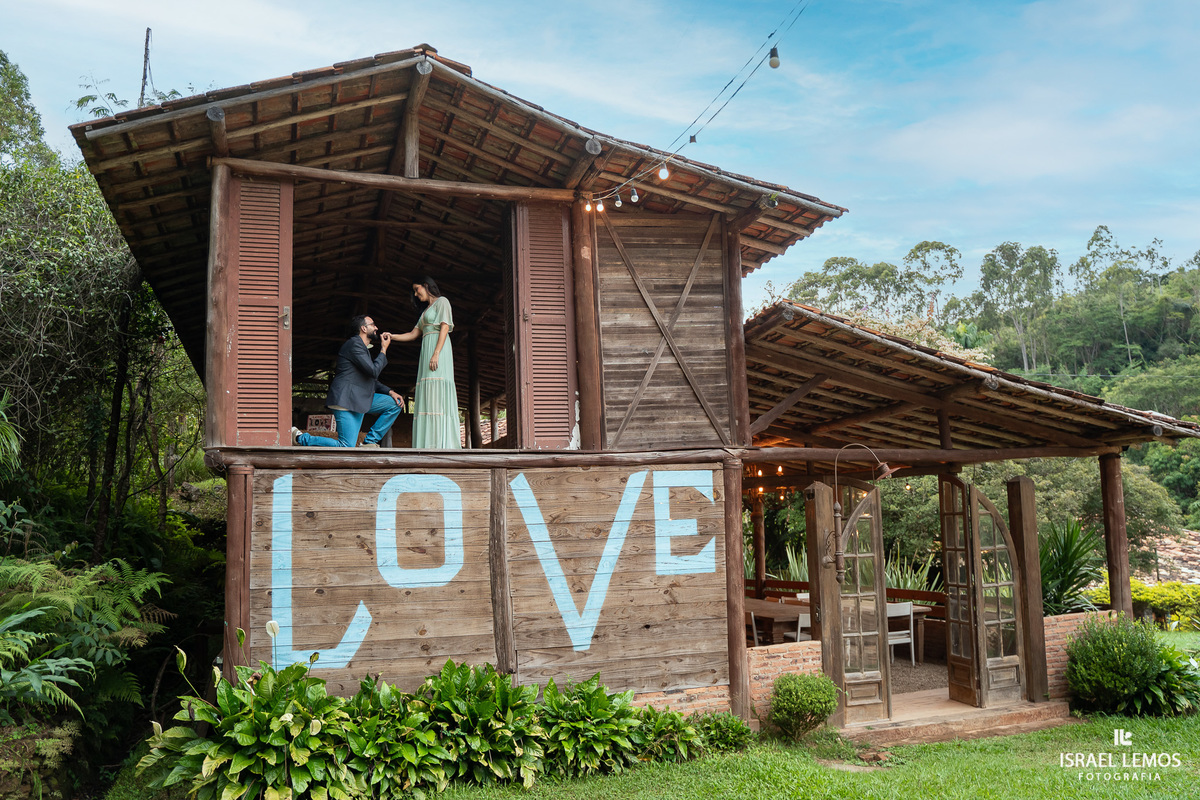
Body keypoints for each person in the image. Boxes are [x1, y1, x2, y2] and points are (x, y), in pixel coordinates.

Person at [291, 315, 405, 447]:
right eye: (373, 324)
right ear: (363, 328)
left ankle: (370, 441)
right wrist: (384, 349)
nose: (376, 328)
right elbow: (373, 371)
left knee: (395, 404)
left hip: (360, 398)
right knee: (346, 445)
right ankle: (300, 438)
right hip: (346, 399)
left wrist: (391, 392)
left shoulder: (362, 349)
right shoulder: (354, 344)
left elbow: (370, 379)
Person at [393, 277, 461, 448]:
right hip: (427, 352)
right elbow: (413, 334)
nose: (416, 294)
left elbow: (445, 327)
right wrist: (392, 336)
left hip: (439, 350)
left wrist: (436, 353)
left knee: (438, 391)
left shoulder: (442, 302)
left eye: (417, 290)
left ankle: (443, 444)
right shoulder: (425, 312)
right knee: (427, 393)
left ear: (426, 286)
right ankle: (428, 443)